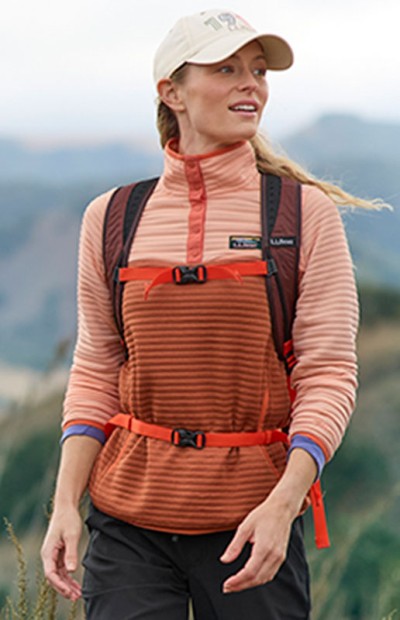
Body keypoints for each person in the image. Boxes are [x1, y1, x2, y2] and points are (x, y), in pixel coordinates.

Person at [41, 8, 377, 619]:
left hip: (253, 523)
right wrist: (66, 505)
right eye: (226, 69)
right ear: (171, 90)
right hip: (128, 523)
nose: (251, 84)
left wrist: (282, 507)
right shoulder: (112, 218)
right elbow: (95, 370)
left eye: (257, 70)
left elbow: (327, 374)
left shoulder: (303, 216)